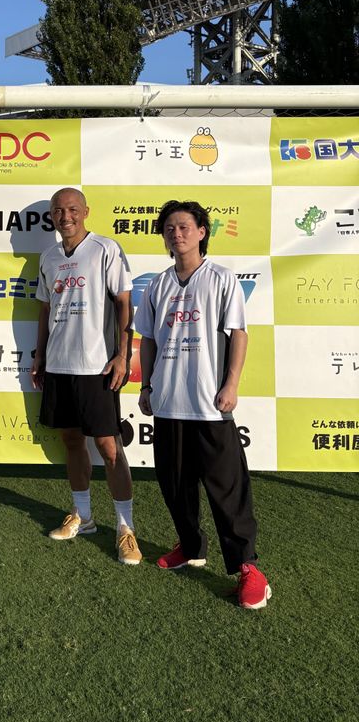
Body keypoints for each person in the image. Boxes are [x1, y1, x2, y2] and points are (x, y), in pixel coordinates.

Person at [134, 199, 271, 609]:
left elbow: (239, 333)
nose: (176, 234)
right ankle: (191, 546)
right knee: (174, 484)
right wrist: (146, 387)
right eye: (169, 228)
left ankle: (249, 569)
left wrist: (232, 383)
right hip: (167, 401)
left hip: (210, 403)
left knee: (226, 488)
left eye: (184, 227)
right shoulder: (158, 284)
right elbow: (149, 340)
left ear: (201, 232)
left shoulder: (221, 278)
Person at [30, 187, 141, 565]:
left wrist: (123, 355)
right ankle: (84, 515)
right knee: (72, 441)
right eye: (58, 211)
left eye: (72, 209)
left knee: (109, 447)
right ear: (52, 216)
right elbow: (45, 309)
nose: (65, 217)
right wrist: (40, 355)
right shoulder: (48, 257)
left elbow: (124, 303)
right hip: (59, 365)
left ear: (86, 211)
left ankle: (125, 528)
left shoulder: (105, 249)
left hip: (97, 366)